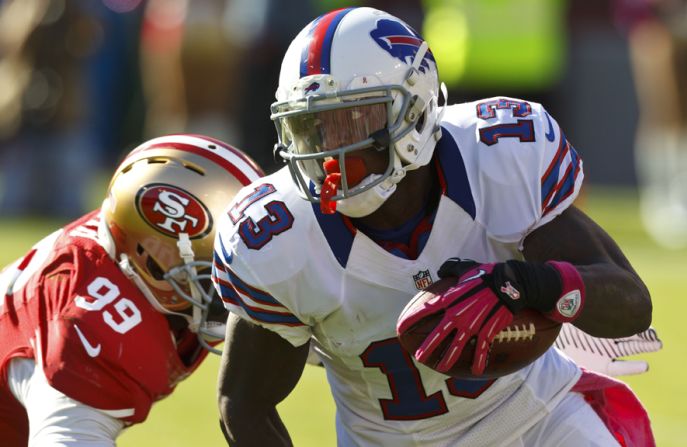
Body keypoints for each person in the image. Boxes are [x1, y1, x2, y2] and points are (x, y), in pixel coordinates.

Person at [214, 7, 654, 446]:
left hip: (537, 417)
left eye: (354, 121)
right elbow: (244, 404)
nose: (332, 153)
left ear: (416, 109)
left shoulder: (495, 157)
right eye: (314, 129)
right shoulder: (281, 236)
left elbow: (631, 304)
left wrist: (528, 283)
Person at [0, 134, 263, 446]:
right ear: (152, 260)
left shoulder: (131, 253)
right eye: (220, 272)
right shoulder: (92, 326)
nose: (241, 287)